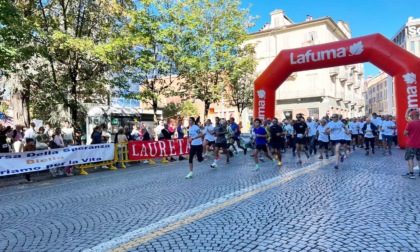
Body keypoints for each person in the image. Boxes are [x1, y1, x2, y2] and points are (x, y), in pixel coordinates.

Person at [403, 110, 420, 179]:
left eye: (411, 116)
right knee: (419, 159)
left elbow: (405, 133)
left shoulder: (410, 123)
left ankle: (411, 174)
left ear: (413, 116)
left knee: (410, 158)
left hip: (411, 144)